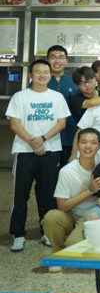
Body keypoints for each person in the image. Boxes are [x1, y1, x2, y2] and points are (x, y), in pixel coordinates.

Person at [7, 59, 70, 251]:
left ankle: (46, 232)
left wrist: (42, 139)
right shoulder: (20, 96)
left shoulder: (57, 97)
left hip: (51, 151)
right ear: (30, 75)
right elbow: (15, 124)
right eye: (38, 71)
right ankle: (18, 234)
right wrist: (33, 143)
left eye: (46, 72)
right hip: (24, 151)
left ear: (50, 76)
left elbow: (61, 123)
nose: (42, 75)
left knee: (48, 194)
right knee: (20, 194)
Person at [42, 128, 100, 261]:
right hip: (71, 213)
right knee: (51, 217)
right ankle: (58, 256)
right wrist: (90, 190)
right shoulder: (67, 171)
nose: (88, 146)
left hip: (92, 215)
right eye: (83, 142)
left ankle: (75, 248)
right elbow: (62, 206)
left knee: (73, 244)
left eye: (93, 143)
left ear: (99, 146)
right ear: (77, 145)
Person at [68, 67, 100, 137]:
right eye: (82, 83)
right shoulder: (75, 99)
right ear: (77, 86)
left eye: (89, 81)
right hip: (84, 136)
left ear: (95, 79)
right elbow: (91, 103)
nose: (87, 85)